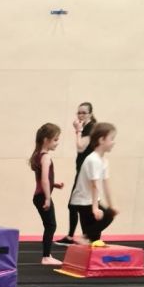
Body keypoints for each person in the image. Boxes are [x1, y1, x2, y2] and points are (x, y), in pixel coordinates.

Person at [69, 123, 118, 244]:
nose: (114, 142)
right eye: (111, 139)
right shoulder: (93, 160)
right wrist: (95, 208)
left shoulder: (103, 161)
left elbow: (106, 184)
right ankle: (85, 237)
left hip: (91, 200)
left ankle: (87, 238)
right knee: (107, 217)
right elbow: (94, 185)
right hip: (83, 201)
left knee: (95, 237)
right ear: (101, 140)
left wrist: (111, 205)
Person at [59, 102, 96, 245]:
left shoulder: (91, 128)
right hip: (82, 170)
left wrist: (78, 130)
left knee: (76, 205)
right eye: (79, 113)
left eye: (83, 113)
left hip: (85, 172)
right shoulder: (87, 127)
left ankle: (81, 236)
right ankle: (82, 236)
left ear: (90, 114)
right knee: (78, 205)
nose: (80, 115)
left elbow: (81, 147)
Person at [29, 123, 64, 266]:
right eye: (55, 139)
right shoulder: (46, 157)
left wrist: (54, 184)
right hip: (43, 196)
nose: (57, 142)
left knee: (49, 225)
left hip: (38, 196)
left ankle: (47, 254)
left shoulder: (38, 155)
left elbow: (42, 179)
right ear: (46, 140)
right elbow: (44, 179)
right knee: (51, 226)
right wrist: (48, 198)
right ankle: (46, 257)